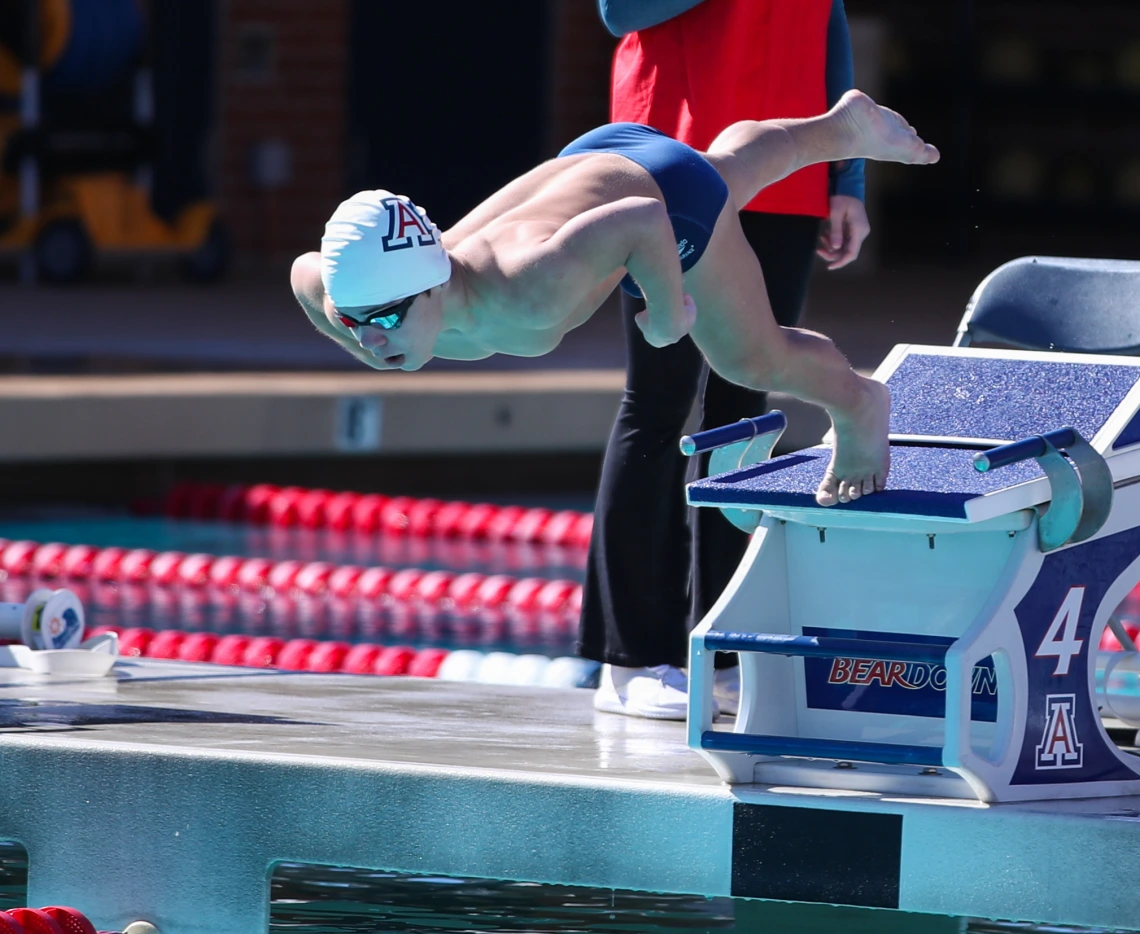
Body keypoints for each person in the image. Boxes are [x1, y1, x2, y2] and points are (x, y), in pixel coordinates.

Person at [292, 93, 937, 520]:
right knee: (721, 169)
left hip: (653, 202)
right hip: (600, 159)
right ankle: (838, 128)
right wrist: (353, 325)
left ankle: (859, 405)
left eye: (383, 319)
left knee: (750, 359)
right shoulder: (364, 292)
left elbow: (642, 218)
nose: (371, 339)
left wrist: (665, 312)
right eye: (355, 320)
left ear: (432, 283)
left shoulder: (527, 284)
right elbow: (304, 274)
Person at [584, 0, 868, 720]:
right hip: (670, 165)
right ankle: (632, 659)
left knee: (750, 405)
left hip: (788, 176)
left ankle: (728, 647)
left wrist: (847, 180)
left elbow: (825, 24)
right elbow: (619, 12)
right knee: (659, 399)